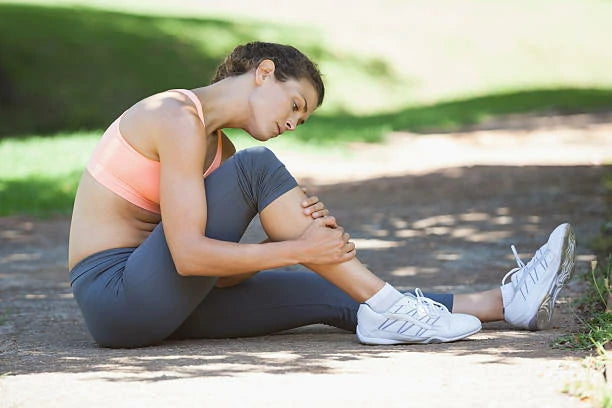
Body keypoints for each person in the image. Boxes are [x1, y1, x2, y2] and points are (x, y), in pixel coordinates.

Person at [68, 42, 576, 348]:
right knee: (259, 169)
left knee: (338, 294)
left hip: (161, 302)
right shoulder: (176, 117)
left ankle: (505, 302)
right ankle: (388, 307)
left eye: (301, 119)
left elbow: (215, 277)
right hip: (116, 297)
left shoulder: (217, 149)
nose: (291, 123)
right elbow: (186, 256)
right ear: (263, 71)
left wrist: (296, 254)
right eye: (294, 104)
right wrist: (298, 248)